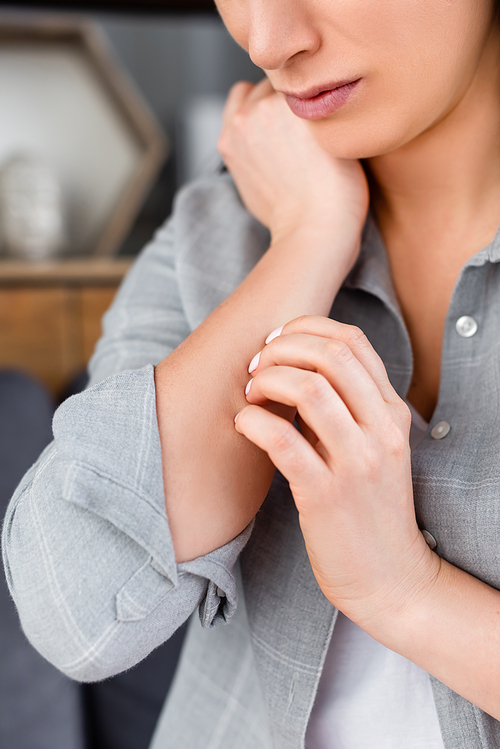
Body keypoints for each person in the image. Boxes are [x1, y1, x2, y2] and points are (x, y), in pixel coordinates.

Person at [3, 1, 500, 747]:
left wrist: (405, 594)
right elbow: (77, 615)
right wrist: (309, 237)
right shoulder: (226, 221)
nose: (266, 40)